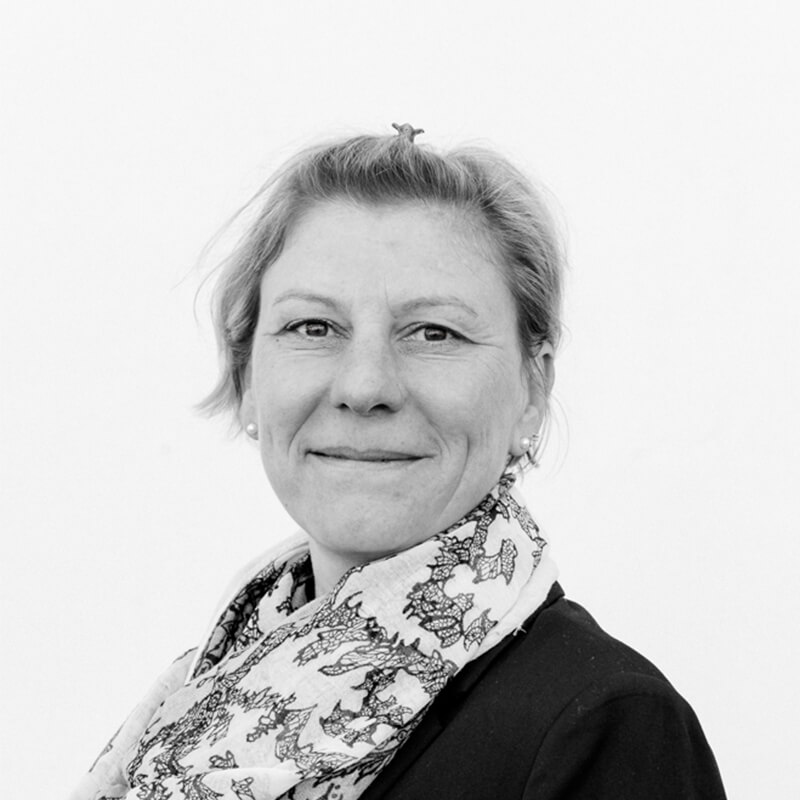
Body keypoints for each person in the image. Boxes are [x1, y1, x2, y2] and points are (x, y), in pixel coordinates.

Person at [70, 125, 727, 799]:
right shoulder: (203, 698)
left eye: (434, 332)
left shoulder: (605, 728)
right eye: (313, 327)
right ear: (246, 378)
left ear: (532, 391)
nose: (364, 387)